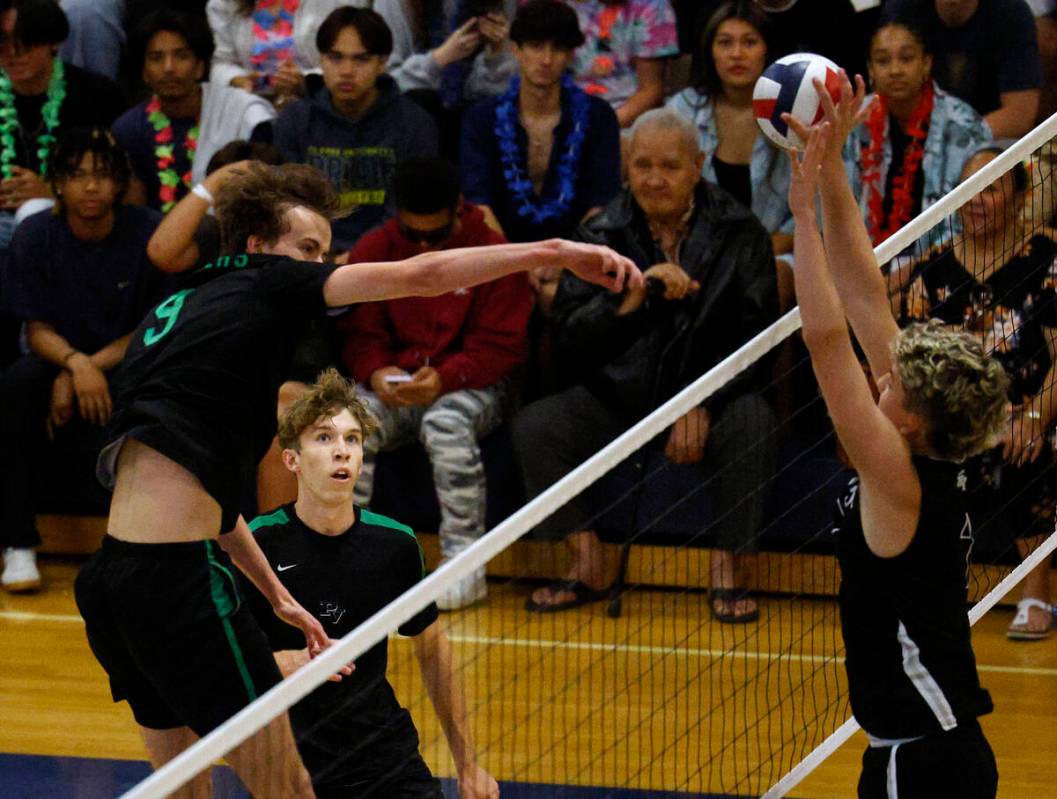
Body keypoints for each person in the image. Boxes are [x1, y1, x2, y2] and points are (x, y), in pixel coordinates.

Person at [71, 157, 640, 793]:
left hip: (111, 578)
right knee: (290, 789)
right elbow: (423, 275)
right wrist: (557, 250)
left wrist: (278, 596)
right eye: (308, 249)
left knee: (180, 783)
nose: (322, 267)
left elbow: (205, 496)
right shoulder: (269, 285)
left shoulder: (176, 311)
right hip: (177, 582)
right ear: (260, 247)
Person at [786, 73, 1006, 798]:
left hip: (919, 764)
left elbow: (824, 341)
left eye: (887, 385)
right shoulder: (926, 441)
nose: (880, 378)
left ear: (907, 418)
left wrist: (798, 217)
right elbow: (861, 290)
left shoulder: (895, 477)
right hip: (937, 753)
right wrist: (830, 168)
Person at [513, 108, 779, 621]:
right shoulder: (599, 231)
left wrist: (701, 401)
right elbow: (568, 339)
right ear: (626, 169)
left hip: (711, 400)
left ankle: (728, 568)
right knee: (536, 427)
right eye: (642, 166)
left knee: (754, 422)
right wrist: (631, 301)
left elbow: (760, 342)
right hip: (621, 399)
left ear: (698, 165)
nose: (654, 179)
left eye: (670, 166)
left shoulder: (741, 231)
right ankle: (589, 562)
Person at [245, 369, 500, 798]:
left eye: (352, 440)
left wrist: (468, 764)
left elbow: (433, 651)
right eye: (324, 438)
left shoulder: (394, 544)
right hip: (292, 767)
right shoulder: (257, 545)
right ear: (292, 460)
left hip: (387, 759)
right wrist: (280, 663)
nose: (341, 452)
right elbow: (215, 658)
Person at [341, 157, 533, 610]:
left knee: (446, 424)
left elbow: (501, 347)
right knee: (347, 422)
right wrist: (375, 371)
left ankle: (463, 565)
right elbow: (359, 333)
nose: (424, 247)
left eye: (436, 236)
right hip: (396, 384)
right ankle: (345, 565)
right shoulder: (373, 249)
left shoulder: (492, 252)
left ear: (459, 209)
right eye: (414, 236)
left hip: (477, 385)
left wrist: (448, 377)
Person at [894, 143, 1056, 640]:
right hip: (953, 418)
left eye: (992, 189)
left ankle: (1036, 592)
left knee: (1034, 450)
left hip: (1030, 409)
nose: (978, 201)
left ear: (1020, 196)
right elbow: (910, 366)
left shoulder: (1046, 259)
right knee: (908, 449)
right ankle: (928, 589)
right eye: (969, 190)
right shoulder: (933, 268)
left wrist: (1034, 418)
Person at [0, 128, 167, 592]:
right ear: (57, 182)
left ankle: (142, 545)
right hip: (58, 359)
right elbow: (35, 329)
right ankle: (17, 542)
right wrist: (75, 366)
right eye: (77, 176)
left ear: (119, 182)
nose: (90, 187)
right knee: (15, 385)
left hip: (126, 360)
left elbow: (151, 327)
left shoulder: (147, 231)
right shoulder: (36, 234)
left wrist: (89, 368)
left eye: (101, 175)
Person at [270, 6, 439, 251]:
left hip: (391, 256)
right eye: (335, 57)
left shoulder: (415, 124)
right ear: (321, 59)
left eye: (361, 59)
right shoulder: (294, 121)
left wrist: (359, 256)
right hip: (312, 257)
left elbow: (407, 209)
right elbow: (287, 205)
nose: (346, 71)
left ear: (382, 62)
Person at [460, 0, 621, 244]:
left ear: (570, 55)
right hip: (501, 260)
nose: (546, 59)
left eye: (557, 49)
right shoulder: (482, 118)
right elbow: (478, 204)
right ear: (515, 49)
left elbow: (602, 204)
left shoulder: (599, 117)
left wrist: (568, 263)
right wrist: (518, 265)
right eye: (536, 46)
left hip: (578, 261)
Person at [844, 15, 990, 247]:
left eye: (906, 58)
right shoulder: (853, 119)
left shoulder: (965, 125)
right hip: (866, 260)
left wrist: (916, 270)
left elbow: (972, 217)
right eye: (882, 61)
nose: (895, 70)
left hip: (942, 260)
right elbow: (840, 206)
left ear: (926, 64)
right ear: (870, 69)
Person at [113, 9, 276, 213]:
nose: (169, 68)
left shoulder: (244, 115)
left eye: (181, 56)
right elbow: (134, 217)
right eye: (156, 58)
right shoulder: (130, 129)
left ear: (200, 66)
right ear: (144, 73)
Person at [666, 1, 795, 261]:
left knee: (779, 269)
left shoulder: (793, 114)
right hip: (696, 254)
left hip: (774, 254)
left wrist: (745, 262)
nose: (736, 54)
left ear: (767, 51)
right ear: (710, 52)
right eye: (725, 43)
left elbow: (811, 212)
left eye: (749, 43)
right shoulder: (681, 110)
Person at [0, 0, 125, 247]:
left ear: (53, 42)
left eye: (27, 42)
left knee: (34, 213)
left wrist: (54, 192)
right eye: (3, 43)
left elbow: (116, 181)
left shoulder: (96, 94)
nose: (14, 54)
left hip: (67, 222)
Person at [883, 0, 1041, 138]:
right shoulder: (901, 11)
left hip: (990, 141)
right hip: (916, 139)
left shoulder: (1011, 12)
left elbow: (1020, 115)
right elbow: (887, 100)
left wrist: (954, 141)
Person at [205, 0, 365, 107]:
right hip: (252, 109)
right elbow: (220, 63)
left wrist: (307, 81)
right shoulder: (223, 4)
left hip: (322, 105)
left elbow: (358, 57)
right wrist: (238, 79)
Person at [564, 0, 679, 127]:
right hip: (559, 111)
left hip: (622, 118)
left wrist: (602, 129)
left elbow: (651, 90)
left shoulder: (652, 6)